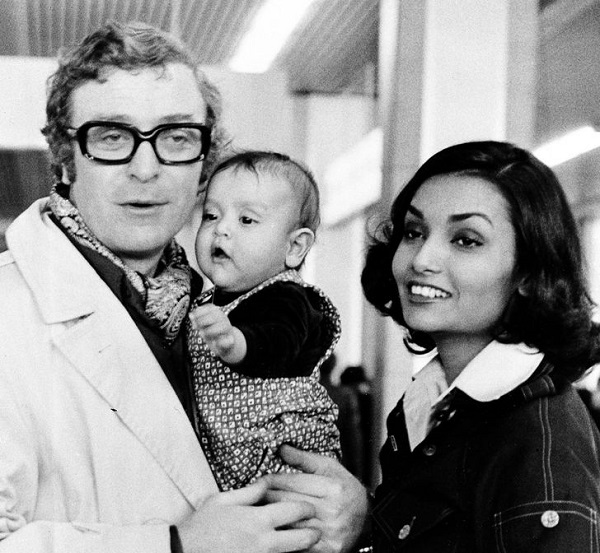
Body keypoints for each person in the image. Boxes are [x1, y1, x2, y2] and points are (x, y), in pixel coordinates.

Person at [0, 20, 367, 553]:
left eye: (176, 138)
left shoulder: (219, 303)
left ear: (202, 163)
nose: (146, 168)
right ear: (64, 156)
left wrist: (349, 514)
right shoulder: (8, 314)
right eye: (111, 137)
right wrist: (174, 546)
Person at [361, 140, 600, 552]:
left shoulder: (539, 441)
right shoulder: (435, 399)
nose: (422, 259)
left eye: (466, 240)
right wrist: (365, 523)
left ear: (528, 274)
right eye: (414, 232)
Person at [188, 150, 341, 491]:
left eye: (247, 220)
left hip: (279, 452)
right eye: (211, 216)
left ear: (295, 247)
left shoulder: (289, 297)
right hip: (230, 454)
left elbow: (280, 341)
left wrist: (235, 342)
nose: (221, 229)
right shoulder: (205, 301)